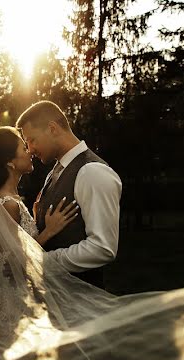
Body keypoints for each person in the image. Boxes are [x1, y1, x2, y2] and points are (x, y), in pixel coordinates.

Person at [16, 101, 122, 289]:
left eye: (32, 139)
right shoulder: (54, 172)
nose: (30, 149)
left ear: (52, 129)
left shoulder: (92, 172)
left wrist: (44, 262)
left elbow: (102, 248)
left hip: (82, 304)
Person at [0, 126, 79, 246]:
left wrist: (35, 217)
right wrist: (49, 231)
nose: (30, 152)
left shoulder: (10, 198)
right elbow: (14, 260)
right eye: (24, 148)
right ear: (10, 162)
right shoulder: (8, 204)